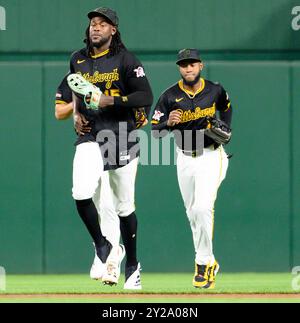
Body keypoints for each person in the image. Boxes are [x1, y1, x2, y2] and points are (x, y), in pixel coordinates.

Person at [55, 6, 153, 289]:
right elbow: (75, 91)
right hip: (90, 136)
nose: (95, 28)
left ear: (113, 30)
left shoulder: (126, 59)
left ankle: (132, 265)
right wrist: (75, 112)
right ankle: (103, 245)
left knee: (124, 207)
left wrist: (110, 101)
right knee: (81, 191)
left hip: (122, 135)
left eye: (102, 24)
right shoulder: (78, 59)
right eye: (93, 24)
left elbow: (144, 95)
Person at [151, 49, 232, 289]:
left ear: (200, 66)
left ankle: (203, 262)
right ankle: (209, 261)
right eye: (184, 64)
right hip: (185, 158)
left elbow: (226, 107)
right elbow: (155, 131)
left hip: (211, 156)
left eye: (192, 64)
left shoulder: (215, 89)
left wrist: (226, 127)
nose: (188, 68)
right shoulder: (169, 96)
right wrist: (168, 122)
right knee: (192, 214)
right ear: (179, 68)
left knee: (202, 207)